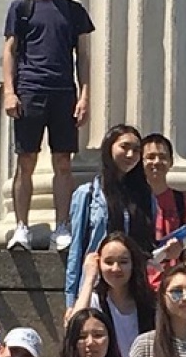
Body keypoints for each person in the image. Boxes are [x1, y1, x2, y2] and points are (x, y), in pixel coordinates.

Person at [3, 0, 94, 253]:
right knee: (25, 159)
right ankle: (21, 226)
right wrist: (10, 91)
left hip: (63, 91)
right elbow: (10, 50)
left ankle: (62, 225)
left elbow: (83, 56)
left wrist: (85, 95)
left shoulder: (74, 11)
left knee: (63, 162)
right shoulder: (22, 7)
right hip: (29, 89)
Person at [65, 124, 155, 309]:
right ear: (109, 148)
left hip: (135, 289)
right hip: (97, 286)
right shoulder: (87, 194)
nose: (130, 155)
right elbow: (76, 249)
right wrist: (71, 300)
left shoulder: (146, 197)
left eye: (136, 150)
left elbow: (148, 245)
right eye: (124, 147)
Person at [72, 231, 157, 355]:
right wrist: (89, 277)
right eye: (109, 262)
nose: (116, 268)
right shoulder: (95, 300)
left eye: (123, 262)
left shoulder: (150, 302)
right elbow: (73, 328)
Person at [140, 132, 186, 281]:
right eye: (150, 157)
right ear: (140, 162)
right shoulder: (132, 201)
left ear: (171, 162)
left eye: (162, 157)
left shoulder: (184, 201)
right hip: (140, 282)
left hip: (172, 282)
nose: (156, 162)